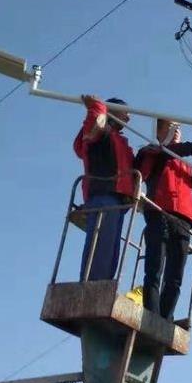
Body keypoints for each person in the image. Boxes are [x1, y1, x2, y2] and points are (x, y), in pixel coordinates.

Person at [134, 119, 192, 320]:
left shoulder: (183, 163)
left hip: (183, 220)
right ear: (159, 132)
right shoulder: (153, 153)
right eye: (171, 128)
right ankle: (152, 317)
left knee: (175, 277)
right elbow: (172, 151)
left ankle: (165, 318)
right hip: (159, 214)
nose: (176, 131)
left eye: (178, 128)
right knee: (154, 269)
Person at [73, 95, 135, 281]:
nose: (129, 118)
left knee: (112, 248)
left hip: (119, 200)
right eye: (125, 112)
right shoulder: (100, 133)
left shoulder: (121, 142)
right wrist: (97, 106)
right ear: (112, 112)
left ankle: (105, 283)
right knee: (101, 245)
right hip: (103, 194)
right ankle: (93, 284)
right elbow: (93, 126)